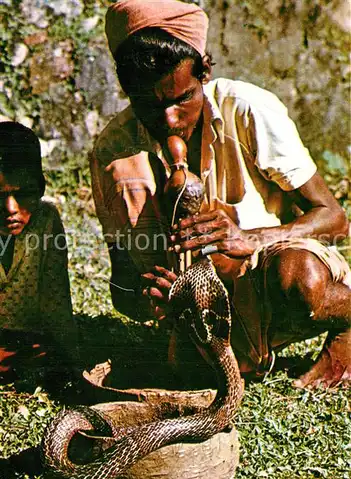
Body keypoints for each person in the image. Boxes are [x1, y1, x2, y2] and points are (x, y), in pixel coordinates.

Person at [90, 0, 351, 389]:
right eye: (150, 105)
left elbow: (334, 219)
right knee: (191, 373)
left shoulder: (247, 110)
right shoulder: (113, 153)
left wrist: (251, 239)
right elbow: (122, 289)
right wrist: (148, 299)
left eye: (183, 99)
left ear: (204, 73)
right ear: (128, 92)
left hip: (272, 272)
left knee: (301, 279)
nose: (170, 121)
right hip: (200, 303)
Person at [0, 121, 76, 389]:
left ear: (41, 188)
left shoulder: (46, 221)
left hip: (27, 344)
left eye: (24, 195)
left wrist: (71, 362)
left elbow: (57, 300)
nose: (11, 208)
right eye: (0, 196)